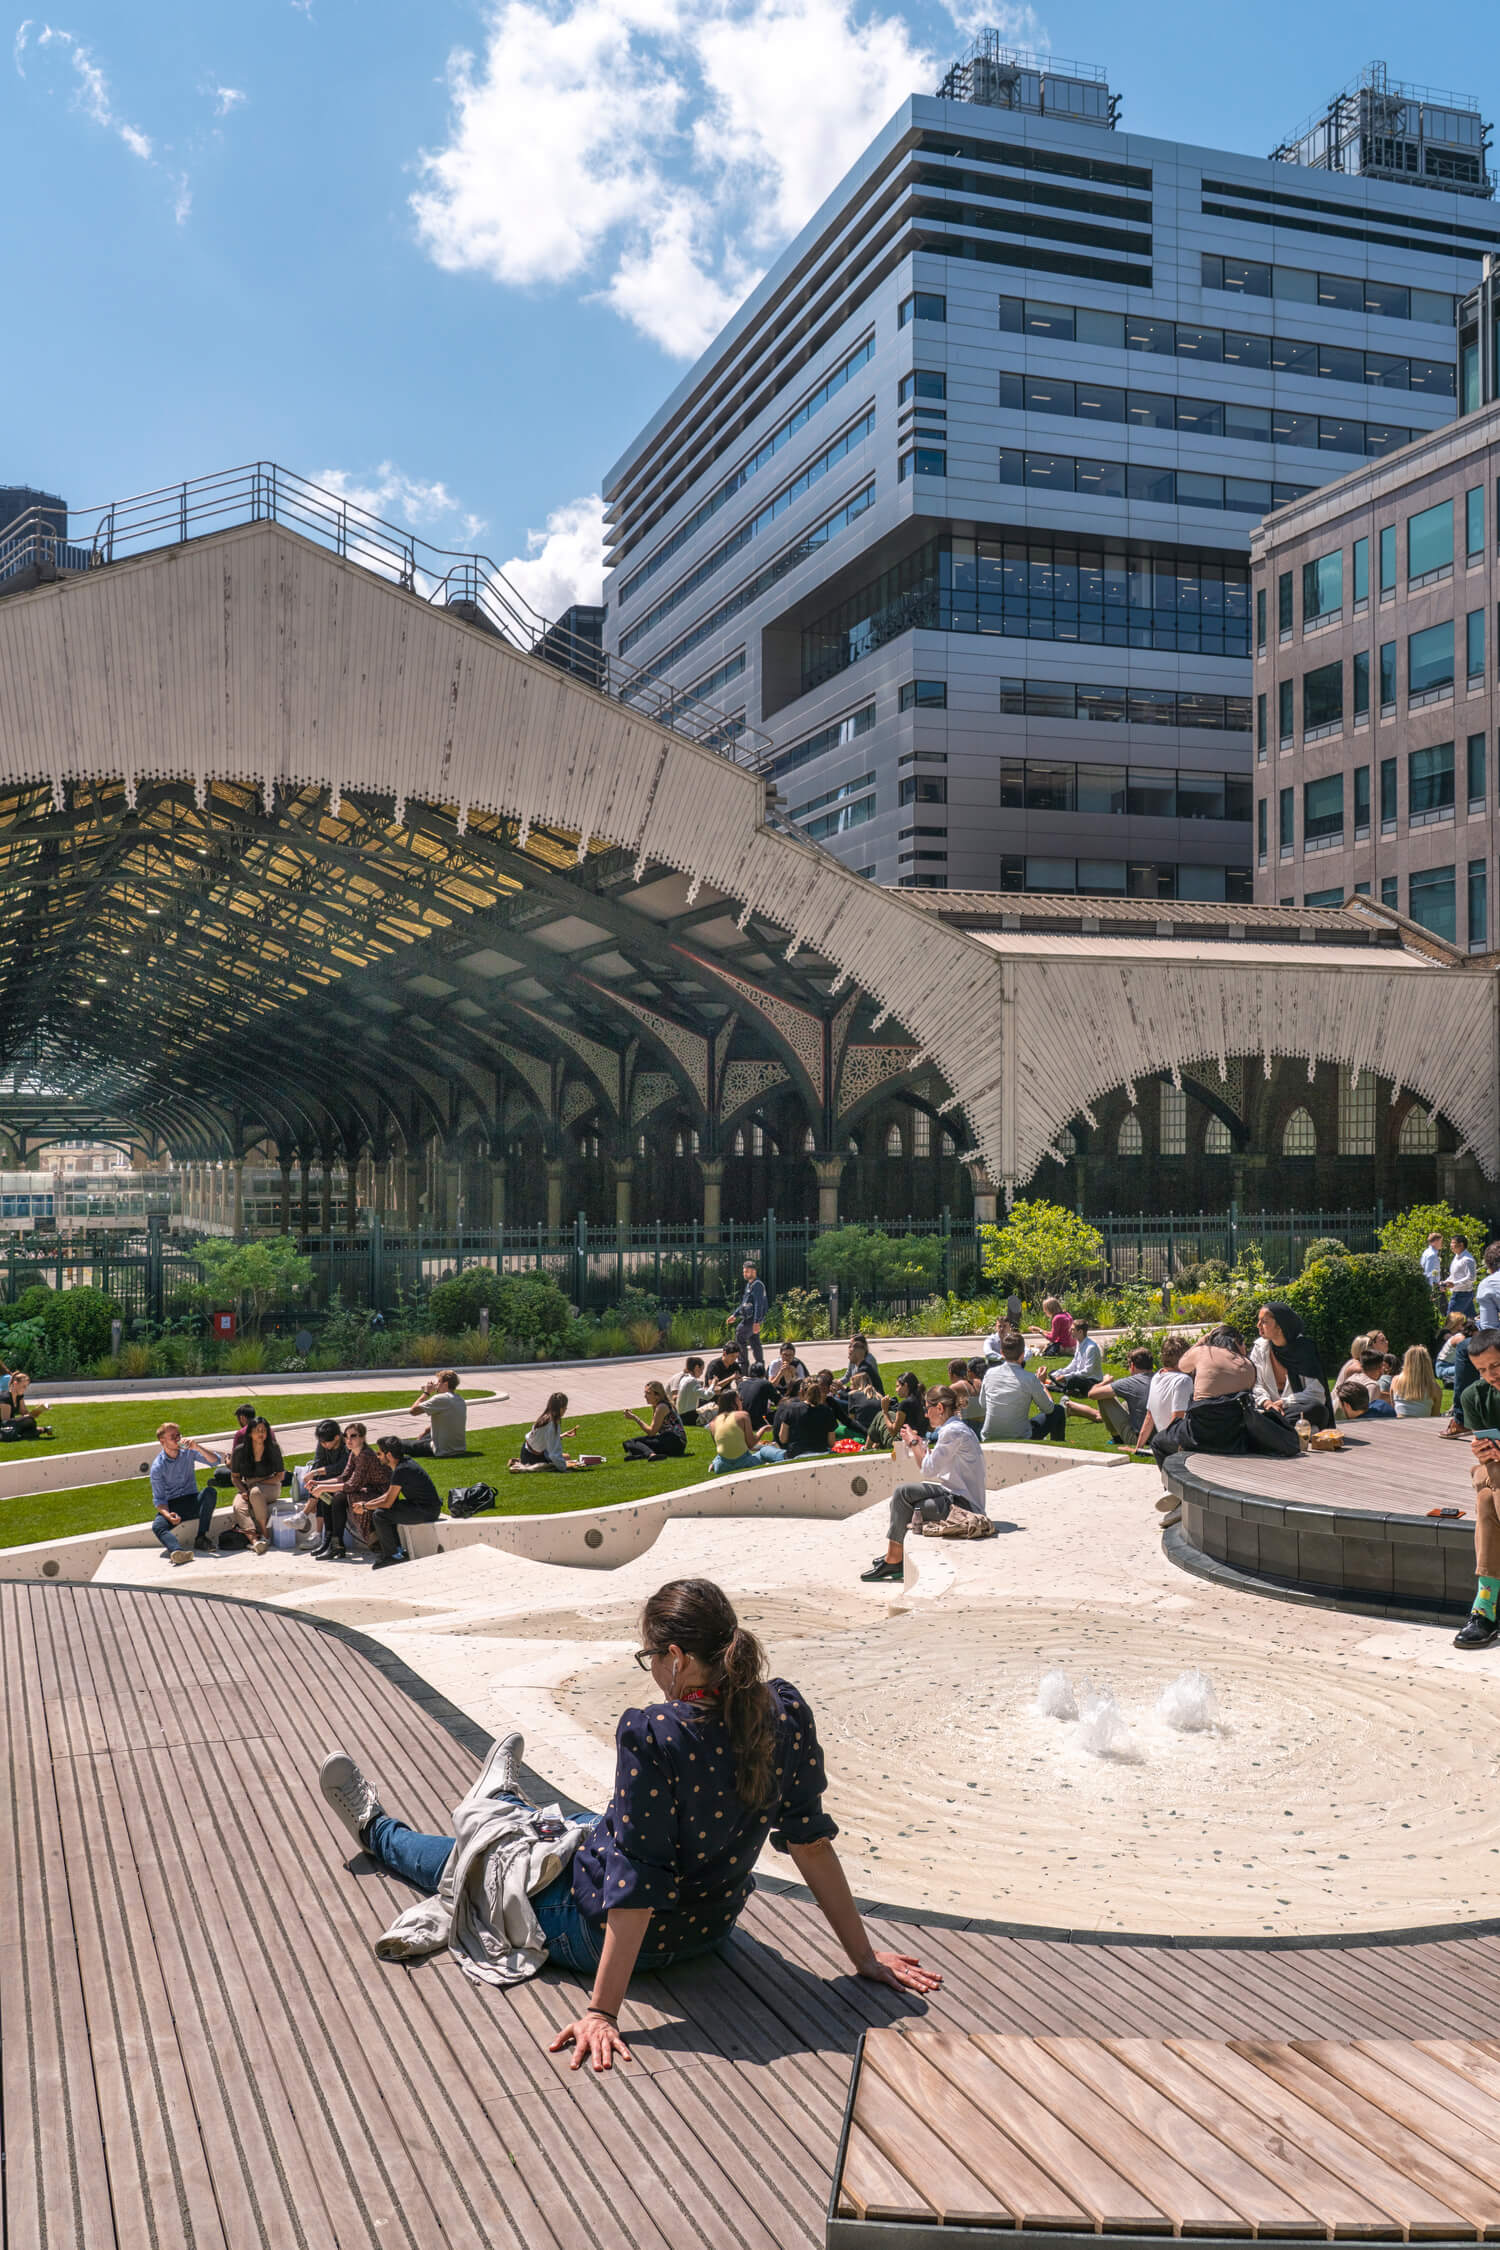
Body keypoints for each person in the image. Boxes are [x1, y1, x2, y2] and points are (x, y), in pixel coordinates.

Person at [321, 1577, 940, 2064]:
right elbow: (809, 1841)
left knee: (476, 1858)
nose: (648, 1666)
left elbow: (638, 1891)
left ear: (675, 1657)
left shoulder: (656, 1734)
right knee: (582, 1823)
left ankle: (379, 1829)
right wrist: (861, 1955)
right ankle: (500, 1803)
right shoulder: (783, 1710)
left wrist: (603, 2013)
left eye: (648, 1654)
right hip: (710, 1924)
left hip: (607, 1931)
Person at [862, 1387, 988, 1582]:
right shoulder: (953, 1429)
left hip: (964, 1505)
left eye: (927, 1408)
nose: (925, 1413)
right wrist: (920, 1445)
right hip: (952, 1493)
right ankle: (894, 1557)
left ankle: (894, 1560)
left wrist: (913, 1443)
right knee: (902, 1492)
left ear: (939, 1407)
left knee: (912, 1509)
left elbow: (928, 1470)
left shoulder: (952, 1432)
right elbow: (934, 1465)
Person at [1151, 1326, 1297, 1472]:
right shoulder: (1248, 1366)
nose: (1245, 1348)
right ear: (1236, 1342)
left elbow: (1182, 1365)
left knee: (1158, 1442)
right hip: (1232, 1440)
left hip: (1197, 1434)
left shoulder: (1203, 1352)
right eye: (1244, 1343)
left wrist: (1201, 1341)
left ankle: (1171, 1488)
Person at [1455, 1331, 1500, 1647]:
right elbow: (1481, 1442)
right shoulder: (1474, 1396)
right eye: (1481, 1370)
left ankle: (1485, 1609)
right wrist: (1482, 1450)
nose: (1489, 1376)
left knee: (1486, 1500)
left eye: (1496, 1366)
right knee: (1490, 1475)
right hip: (1494, 1470)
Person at [304, 1421, 391, 1561]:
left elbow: (352, 1485)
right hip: (367, 1490)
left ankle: (369, 1539)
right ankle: (335, 1545)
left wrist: (322, 1487)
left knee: (343, 1495)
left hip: (382, 1493)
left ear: (362, 1438)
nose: (348, 1440)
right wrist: (318, 1483)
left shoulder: (365, 1455)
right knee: (335, 1496)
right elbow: (343, 1477)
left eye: (353, 1436)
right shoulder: (354, 1454)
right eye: (346, 1436)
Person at [148, 1422, 225, 1562]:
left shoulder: (188, 1451)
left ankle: (201, 1538)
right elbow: (159, 1500)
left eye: (179, 1435)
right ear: (162, 1441)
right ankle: (177, 1551)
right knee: (158, 1526)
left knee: (210, 1492)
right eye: (173, 1437)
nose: (178, 1439)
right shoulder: (157, 1467)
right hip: (173, 1505)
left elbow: (215, 1461)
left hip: (192, 1499)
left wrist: (197, 1447)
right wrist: (168, 1515)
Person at [364, 1435, 444, 1568]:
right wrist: (367, 1504)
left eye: (379, 1453)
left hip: (426, 1511)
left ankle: (392, 1556)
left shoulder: (401, 1470)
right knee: (384, 1511)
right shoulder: (404, 1464)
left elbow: (387, 1502)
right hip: (425, 1507)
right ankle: (398, 1551)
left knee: (380, 1515)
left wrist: (365, 1506)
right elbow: (389, 1496)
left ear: (388, 1455)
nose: (378, 1457)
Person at [1250, 1304, 1332, 1428]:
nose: (1258, 1325)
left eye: (1264, 1322)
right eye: (1259, 1321)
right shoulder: (1260, 1348)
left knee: (1318, 1410)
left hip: (1292, 1409)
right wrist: (1267, 1403)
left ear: (1280, 1325)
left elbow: (1317, 1393)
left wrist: (1284, 1403)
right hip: (1267, 1408)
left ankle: (1272, 1427)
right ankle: (1281, 1427)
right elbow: (1255, 1384)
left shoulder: (1304, 1349)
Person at [979, 1333, 1065, 1443]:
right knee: (1058, 1410)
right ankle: (1057, 1450)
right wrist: (1040, 1383)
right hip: (1019, 1436)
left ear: (1002, 1353)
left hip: (990, 1435)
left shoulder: (990, 1373)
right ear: (1022, 1355)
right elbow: (1048, 1408)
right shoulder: (1029, 1378)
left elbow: (983, 1404)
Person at [230, 1414, 285, 1552]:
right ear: (250, 1434)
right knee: (238, 1506)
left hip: (271, 1484)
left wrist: (258, 1483)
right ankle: (255, 1541)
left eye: (264, 1430)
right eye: (257, 1430)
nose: (261, 1433)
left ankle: (265, 1536)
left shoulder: (273, 1448)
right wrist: (243, 1491)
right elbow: (235, 1477)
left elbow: (280, 1476)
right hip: (247, 1486)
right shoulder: (240, 1451)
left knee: (255, 1492)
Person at [292, 1418, 347, 1543]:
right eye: (321, 1442)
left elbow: (340, 1467)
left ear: (337, 1437)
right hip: (326, 1481)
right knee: (321, 1490)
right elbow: (318, 1462)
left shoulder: (346, 1445)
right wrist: (312, 1476)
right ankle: (317, 1533)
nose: (323, 1445)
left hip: (342, 1480)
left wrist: (315, 1473)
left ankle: (306, 1517)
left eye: (326, 1442)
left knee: (321, 1486)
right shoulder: (324, 1441)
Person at [1137, 1334, 1193, 1457]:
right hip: (1176, 1443)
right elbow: (1178, 1417)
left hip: (1165, 1440)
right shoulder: (1183, 1380)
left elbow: (1149, 1416)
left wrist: (1139, 1447)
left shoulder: (1157, 1376)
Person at [1089, 1348, 1155, 1441]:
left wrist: (1105, 1381)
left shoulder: (1130, 1383)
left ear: (1132, 1365)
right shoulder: (1160, 1378)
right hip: (1160, 1437)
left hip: (1139, 1439)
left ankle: (1116, 1436)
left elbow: (1092, 1394)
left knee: (1104, 1397)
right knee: (1126, 1403)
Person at [768, 1377, 840, 1460]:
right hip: (822, 1452)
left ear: (801, 1392)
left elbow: (783, 1439)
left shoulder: (790, 1409)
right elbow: (831, 1443)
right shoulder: (827, 1411)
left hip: (795, 1455)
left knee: (764, 1450)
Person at [707, 1395, 781, 1475]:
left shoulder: (712, 1423)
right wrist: (763, 1430)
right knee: (765, 1450)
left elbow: (722, 1446)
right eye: (739, 1400)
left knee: (722, 1455)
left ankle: (714, 1463)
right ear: (733, 1403)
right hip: (744, 1463)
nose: (742, 1402)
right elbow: (751, 1444)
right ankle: (785, 1456)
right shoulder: (742, 1415)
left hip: (722, 1466)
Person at [511, 1393, 580, 1471]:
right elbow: (554, 1454)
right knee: (566, 1458)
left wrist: (561, 1436)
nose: (566, 1409)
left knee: (566, 1457)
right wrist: (564, 1469)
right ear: (560, 1408)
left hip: (526, 1451)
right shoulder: (553, 1423)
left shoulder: (546, 1416)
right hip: (532, 1457)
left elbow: (543, 1438)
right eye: (565, 1407)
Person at [407, 1370, 468, 1457]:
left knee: (397, 1443)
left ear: (446, 1384)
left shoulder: (441, 1398)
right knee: (426, 1436)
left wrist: (426, 1393)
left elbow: (413, 1411)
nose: (436, 1384)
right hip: (459, 1447)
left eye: (439, 1381)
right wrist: (425, 1432)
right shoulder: (460, 1399)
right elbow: (446, 1422)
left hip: (442, 1450)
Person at [622, 1381, 686, 1462]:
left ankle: (651, 1454)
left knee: (632, 1442)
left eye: (648, 1393)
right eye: (645, 1393)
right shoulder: (660, 1405)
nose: (645, 1396)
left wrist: (635, 1418)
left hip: (673, 1441)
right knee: (628, 1444)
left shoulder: (662, 1407)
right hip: (676, 1444)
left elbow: (651, 1432)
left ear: (657, 1395)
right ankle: (642, 1456)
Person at [731, 1261, 768, 1373]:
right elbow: (744, 1303)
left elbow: (758, 1304)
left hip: (752, 1320)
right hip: (749, 1318)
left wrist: (756, 1322)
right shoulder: (749, 1285)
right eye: (744, 1272)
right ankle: (760, 1368)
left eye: (747, 1271)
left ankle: (743, 1368)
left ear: (754, 1271)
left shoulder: (757, 1285)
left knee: (740, 1334)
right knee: (755, 1342)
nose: (744, 1274)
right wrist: (735, 1315)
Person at [1052, 1320, 1103, 1397]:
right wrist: (1062, 1372)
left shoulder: (1091, 1347)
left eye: (1072, 1329)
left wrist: (1066, 1377)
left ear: (1080, 1332)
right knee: (1053, 1373)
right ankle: (1068, 1389)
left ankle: (1060, 1388)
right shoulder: (1079, 1343)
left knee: (1073, 1380)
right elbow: (1074, 1363)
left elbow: (1087, 1372)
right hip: (1079, 1375)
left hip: (1091, 1380)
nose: (1070, 1331)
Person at [1391, 1345, 1444, 1418]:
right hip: (1422, 1427)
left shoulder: (1395, 1381)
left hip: (1399, 1425)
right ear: (1427, 1362)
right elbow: (1435, 1416)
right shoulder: (1434, 1388)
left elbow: (1393, 1408)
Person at [0, 1367, 50, 1440]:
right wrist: (28, 1417)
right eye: (23, 1386)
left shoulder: (19, 1396)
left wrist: (38, 1411)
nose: (25, 1389)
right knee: (29, 1422)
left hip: (11, 1424)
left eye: (26, 1386)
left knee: (30, 1421)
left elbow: (24, 1412)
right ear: (15, 1383)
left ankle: (25, 1433)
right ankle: (41, 1430)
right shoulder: (5, 1397)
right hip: (4, 1425)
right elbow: (5, 1421)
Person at [1447, 1235, 1478, 1318]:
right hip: (1460, 1294)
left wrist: (1454, 1284)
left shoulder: (1468, 1259)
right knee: (1470, 1322)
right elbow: (1454, 1275)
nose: (1451, 1245)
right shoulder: (1457, 1257)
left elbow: (1472, 1278)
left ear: (1461, 1245)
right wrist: (1445, 1282)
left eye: (1453, 1243)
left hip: (1462, 1295)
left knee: (1451, 1321)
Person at [667, 1358, 706, 1423]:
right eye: (702, 1369)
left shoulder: (688, 1378)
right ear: (696, 1368)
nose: (702, 1373)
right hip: (671, 1409)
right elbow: (675, 1397)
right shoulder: (679, 1377)